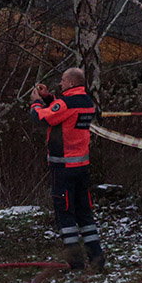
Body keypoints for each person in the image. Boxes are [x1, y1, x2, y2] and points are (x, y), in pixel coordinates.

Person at [30, 67, 105, 272]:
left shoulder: (66, 103)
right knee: (84, 215)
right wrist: (48, 97)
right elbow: (62, 113)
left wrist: (36, 102)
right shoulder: (87, 102)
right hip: (82, 167)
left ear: (71, 83)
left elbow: (42, 118)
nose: (60, 84)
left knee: (65, 215)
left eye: (63, 81)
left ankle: (76, 262)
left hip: (63, 168)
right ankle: (97, 258)